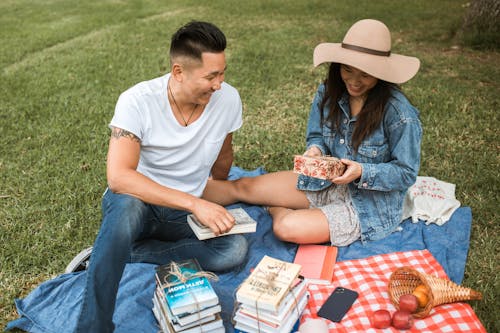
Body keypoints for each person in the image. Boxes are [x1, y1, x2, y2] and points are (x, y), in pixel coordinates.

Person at [69, 21, 248, 333]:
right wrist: (196, 203)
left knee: (234, 249)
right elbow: (119, 178)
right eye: (211, 76)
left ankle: (126, 251)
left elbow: (223, 154)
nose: (219, 84)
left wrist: (215, 192)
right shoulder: (137, 101)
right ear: (178, 72)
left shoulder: (227, 98)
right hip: (139, 202)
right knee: (125, 209)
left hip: (182, 214)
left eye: (222, 73)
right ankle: (92, 327)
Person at [204, 19, 422, 246]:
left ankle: (276, 208)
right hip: (325, 182)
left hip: (367, 203)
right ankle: (171, 204)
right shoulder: (329, 91)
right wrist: (315, 149)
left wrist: (361, 171)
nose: (354, 81)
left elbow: (406, 173)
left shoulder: (400, 114)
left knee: (286, 227)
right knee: (243, 186)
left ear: (381, 74)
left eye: (365, 75)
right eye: (347, 70)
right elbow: (317, 136)